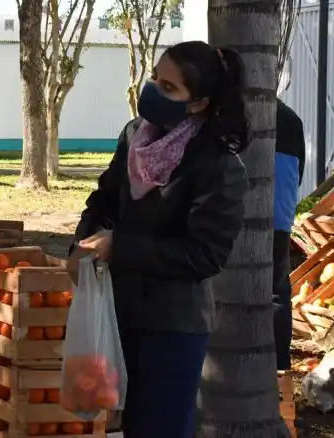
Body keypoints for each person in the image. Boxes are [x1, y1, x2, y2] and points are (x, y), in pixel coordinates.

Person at [68, 41, 250, 438]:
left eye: (169, 88)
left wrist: (120, 246)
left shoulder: (216, 164)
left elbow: (204, 255)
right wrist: (82, 240)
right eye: (155, 78)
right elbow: (105, 198)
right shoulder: (135, 135)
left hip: (171, 327)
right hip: (120, 310)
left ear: (198, 103)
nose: (153, 90)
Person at [274, 98, 306, 370]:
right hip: (280, 218)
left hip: (246, 217)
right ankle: (280, 364)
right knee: (277, 292)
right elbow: (300, 173)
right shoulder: (291, 118)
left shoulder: (233, 112)